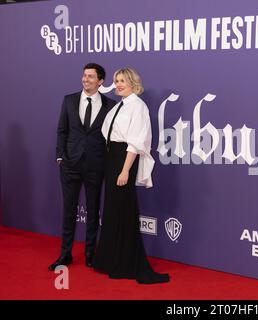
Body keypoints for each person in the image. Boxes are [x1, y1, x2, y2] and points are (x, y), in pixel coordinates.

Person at [93, 67, 169, 284]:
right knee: (112, 210)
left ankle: (126, 263)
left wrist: (125, 170)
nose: (118, 84)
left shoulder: (138, 107)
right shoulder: (121, 106)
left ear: (133, 82)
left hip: (124, 160)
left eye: (123, 80)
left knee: (124, 210)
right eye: (116, 80)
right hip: (112, 158)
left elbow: (135, 142)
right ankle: (109, 260)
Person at [49, 63, 116, 271]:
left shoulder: (110, 105)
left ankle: (89, 254)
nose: (85, 79)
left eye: (90, 76)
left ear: (100, 81)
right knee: (69, 211)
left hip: (96, 165)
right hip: (70, 164)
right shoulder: (69, 100)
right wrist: (60, 156)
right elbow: (62, 130)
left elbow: (111, 137)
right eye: (84, 76)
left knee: (93, 209)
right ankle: (65, 254)